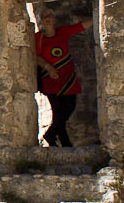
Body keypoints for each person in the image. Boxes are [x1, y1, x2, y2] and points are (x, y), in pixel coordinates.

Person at [35, 8, 93, 147]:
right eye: (44, 17)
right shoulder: (37, 38)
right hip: (50, 79)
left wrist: (99, 15)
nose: (48, 18)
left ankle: (50, 135)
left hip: (68, 79)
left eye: (50, 15)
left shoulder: (62, 32)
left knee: (69, 108)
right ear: (41, 21)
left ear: (54, 19)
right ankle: (64, 144)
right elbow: (36, 57)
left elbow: (80, 27)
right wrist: (48, 68)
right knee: (58, 112)